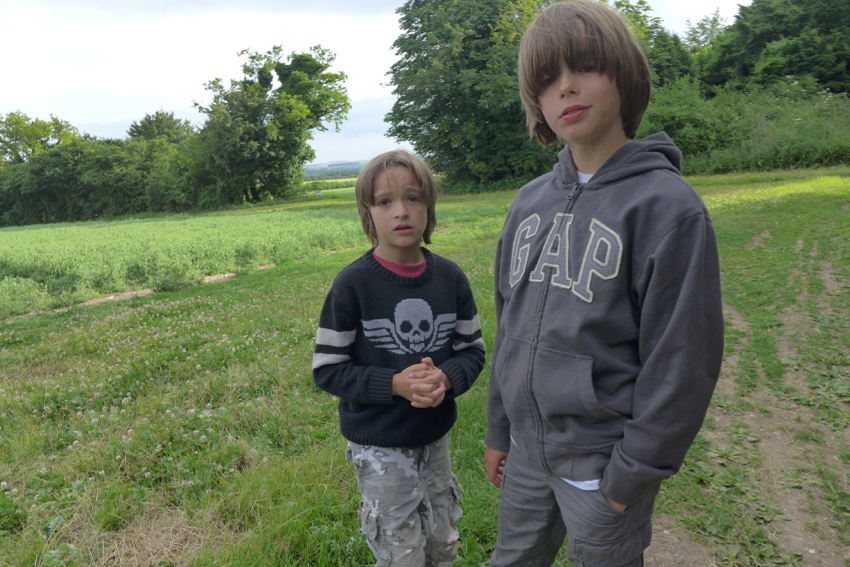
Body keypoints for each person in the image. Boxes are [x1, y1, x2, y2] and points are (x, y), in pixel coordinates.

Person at [484, 2, 724, 566]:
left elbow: (682, 362)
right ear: (537, 102)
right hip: (525, 453)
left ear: (625, 74)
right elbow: (509, 326)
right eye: (547, 79)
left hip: (601, 469)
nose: (566, 87)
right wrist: (500, 428)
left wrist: (627, 481)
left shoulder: (667, 208)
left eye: (586, 67)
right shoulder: (528, 204)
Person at [312, 150, 486, 566]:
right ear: (367, 213)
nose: (401, 211)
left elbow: (472, 351)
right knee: (401, 552)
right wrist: (394, 384)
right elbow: (328, 369)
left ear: (429, 206)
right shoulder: (353, 284)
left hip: (435, 437)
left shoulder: (450, 278)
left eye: (413, 197)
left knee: (443, 541)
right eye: (385, 201)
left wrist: (445, 379)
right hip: (379, 444)